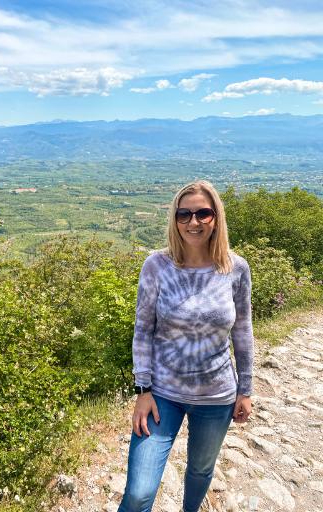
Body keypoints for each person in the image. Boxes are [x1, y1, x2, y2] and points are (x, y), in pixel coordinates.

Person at [117, 180, 254, 512]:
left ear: (216, 218)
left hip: (217, 394)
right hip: (163, 394)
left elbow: (243, 330)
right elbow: (143, 329)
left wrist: (245, 390)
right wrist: (143, 389)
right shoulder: (156, 266)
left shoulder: (235, 268)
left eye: (203, 213)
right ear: (175, 219)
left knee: (201, 471)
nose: (194, 222)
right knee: (138, 493)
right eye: (184, 214)